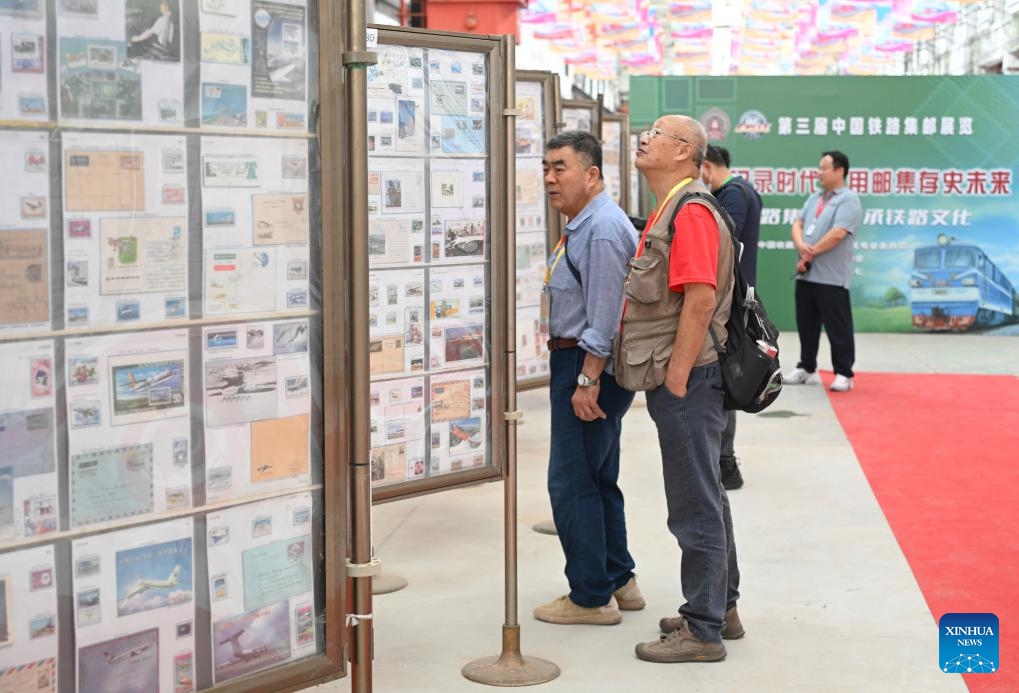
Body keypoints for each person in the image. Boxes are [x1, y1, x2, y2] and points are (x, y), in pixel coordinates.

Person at [627, 115, 743, 663]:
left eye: (657, 133)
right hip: (692, 377)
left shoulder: (690, 211)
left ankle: (702, 631)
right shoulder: (676, 204)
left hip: (689, 379)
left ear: (684, 152)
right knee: (707, 495)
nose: (644, 138)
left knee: (694, 503)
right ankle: (720, 606)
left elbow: (699, 300)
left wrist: (674, 380)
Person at [533, 130, 642, 626]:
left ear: (592, 174)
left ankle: (590, 597)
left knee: (572, 481)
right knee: (597, 478)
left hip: (586, 366)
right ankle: (619, 578)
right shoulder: (587, 223)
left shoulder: (599, 229)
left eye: (562, 168)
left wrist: (586, 379)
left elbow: (606, 311)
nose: (551, 179)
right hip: (584, 363)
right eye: (547, 169)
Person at [701, 145, 763, 490]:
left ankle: (726, 462)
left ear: (708, 166)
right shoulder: (745, 190)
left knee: (725, 382)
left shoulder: (733, 195)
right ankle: (725, 460)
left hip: (731, 301)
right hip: (738, 298)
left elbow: (724, 242)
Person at [786, 150, 862, 392]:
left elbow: (839, 233)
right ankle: (807, 367)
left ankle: (843, 373)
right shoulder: (815, 197)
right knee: (806, 324)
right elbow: (797, 223)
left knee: (838, 327)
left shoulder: (848, 199)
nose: (819, 172)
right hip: (807, 274)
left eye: (824, 168)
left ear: (839, 170)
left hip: (831, 277)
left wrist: (810, 252)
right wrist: (800, 245)